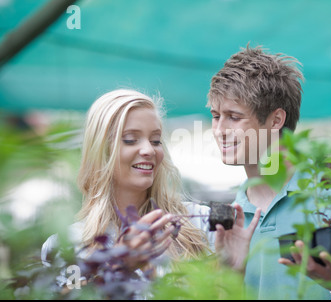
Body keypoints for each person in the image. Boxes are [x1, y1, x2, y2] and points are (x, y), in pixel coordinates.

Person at [207, 44, 331, 299]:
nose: (220, 130)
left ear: (276, 120)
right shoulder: (229, 223)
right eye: (216, 116)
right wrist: (230, 275)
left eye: (234, 117)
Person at [41, 89, 260, 285]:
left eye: (155, 141)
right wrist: (118, 265)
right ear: (101, 151)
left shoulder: (201, 224)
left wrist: (232, 270)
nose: (148, 150)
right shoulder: (66, 245)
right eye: (130, 140)